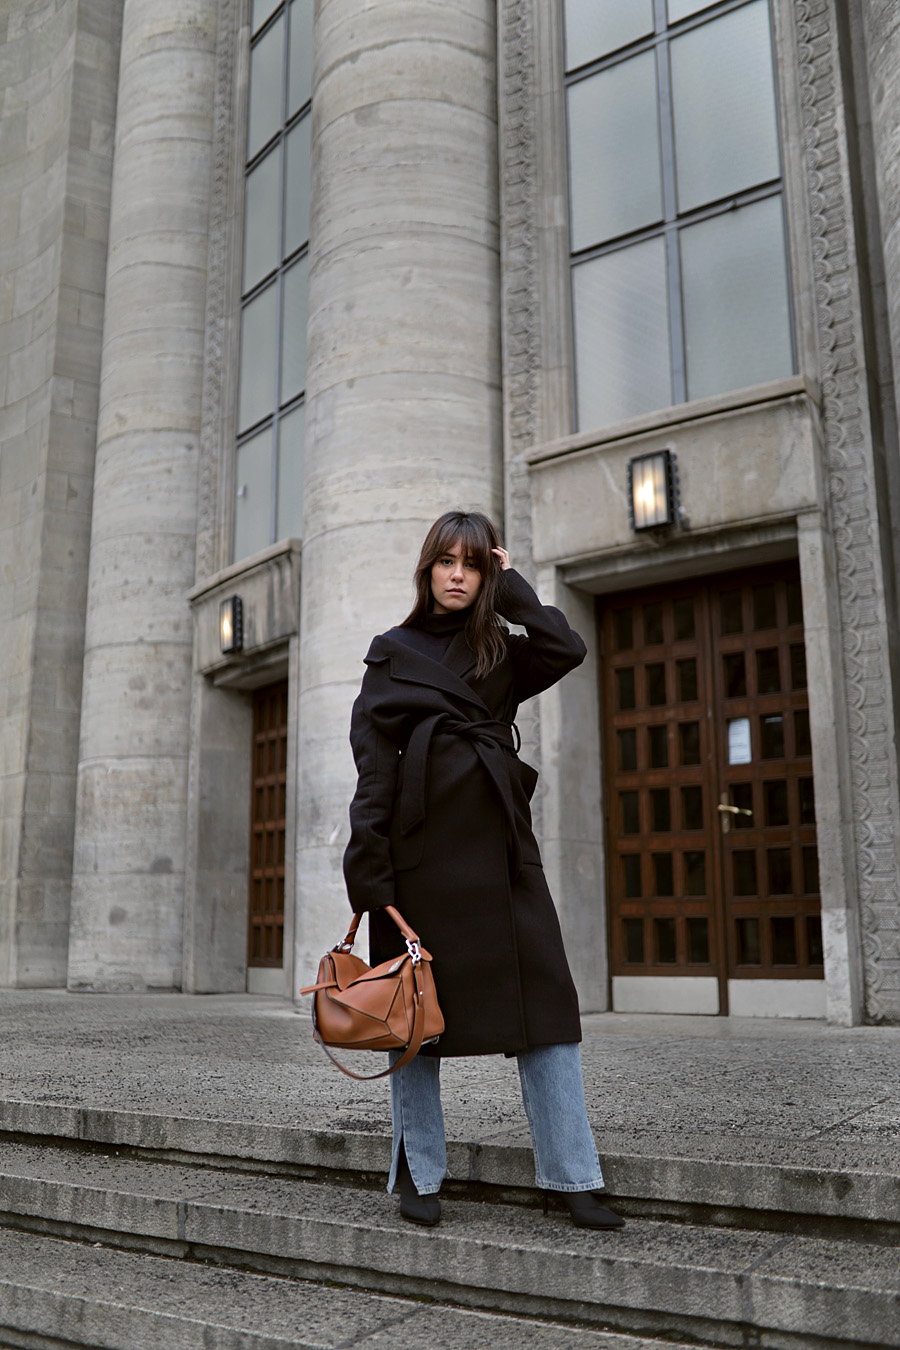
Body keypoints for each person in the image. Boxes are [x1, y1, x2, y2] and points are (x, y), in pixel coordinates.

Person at [342, 510, 623, 1231]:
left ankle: (572, 1177)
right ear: (427, 569)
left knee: (549, 1012)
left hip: (502, 852)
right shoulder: (390, 653)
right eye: (447, 561)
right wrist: (371, 879)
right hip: (419, 859)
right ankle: (419, 1173)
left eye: (473, 563)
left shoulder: (500, 647)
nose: (458, 574)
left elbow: (566, 646)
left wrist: (516, 589)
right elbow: (373, 772)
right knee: (414, 1022)